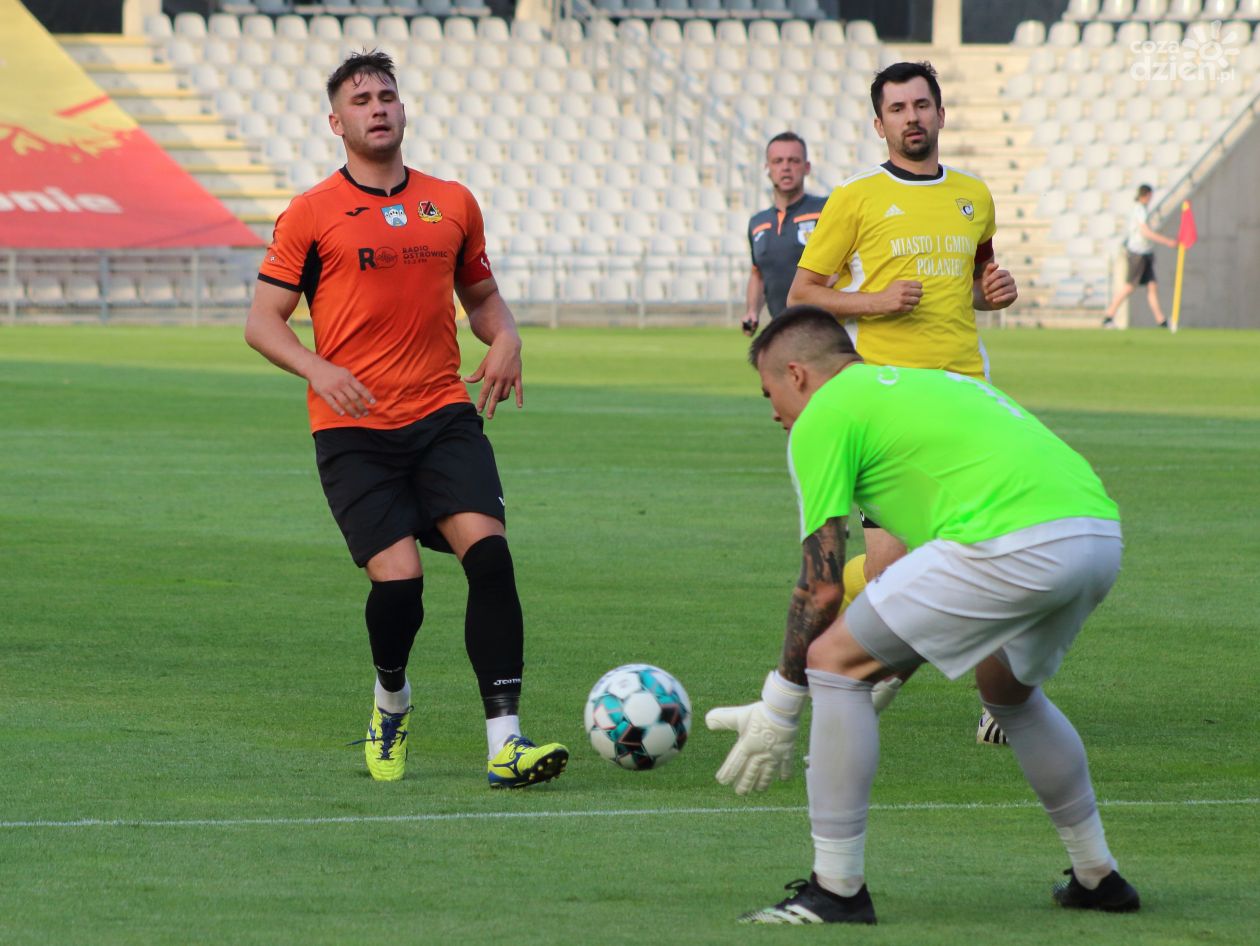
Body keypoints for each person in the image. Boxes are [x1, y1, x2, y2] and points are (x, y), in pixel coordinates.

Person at [714, 306, 1138, 924]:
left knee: (832, 664)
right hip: (1096, 535)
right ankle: (1098, 875)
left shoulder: (824, 416)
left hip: (1010, 542)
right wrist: (887, 665)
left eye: (768, 393)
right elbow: (913, 573)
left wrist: (780, 705)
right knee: (1008, 693)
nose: (774, 412)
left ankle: (836, 891)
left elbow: (822, 588)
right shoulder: (931, 384)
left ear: (797, 375)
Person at [243, 50, 567, 789]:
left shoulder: (451, 202)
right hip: (352, 429)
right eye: (360, 101)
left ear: (404, 108)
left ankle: (506, 744)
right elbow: (262, 322)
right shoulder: (310, 212)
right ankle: (391, 697)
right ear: (337, 123)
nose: (378, 108)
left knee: (491, 558)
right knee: (400, 588)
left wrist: (507, 338)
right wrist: (319, 369)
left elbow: (482, 300)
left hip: (441, 413)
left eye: (386, 95)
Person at [783, 61, 1019, 742]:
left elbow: (973, 283)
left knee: (992, 550)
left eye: (921, 105)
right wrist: (875, 301)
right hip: (890, 402)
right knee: (891, 567)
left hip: (968, 397)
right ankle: (842, 621)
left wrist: (993, 293)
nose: (912, 117)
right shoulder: (856, 198)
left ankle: (1003, 700)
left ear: (941, 114)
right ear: (878, 123)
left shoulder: (974, 195)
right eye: (898, 108)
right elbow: (803, 292)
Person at [742, 132, 828, 336]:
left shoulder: (826, 210)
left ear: (807, 167)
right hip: (782, 332)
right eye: (778, 161)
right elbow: (758, 273)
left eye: (794, 161)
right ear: (767, 168)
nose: (786, 167)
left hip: (824, 329)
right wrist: (752, 311)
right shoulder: (758, 223)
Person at [1102, 184, 1178, 328]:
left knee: (1152, 286)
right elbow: (1145, 232)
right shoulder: (1139, 210)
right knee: (1129, 286)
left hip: (1145, 252)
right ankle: (1109, 316)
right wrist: (1167, 241)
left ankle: (1161, 320)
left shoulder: (1140, 209)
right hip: (1138, 253)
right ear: (1147, 195)